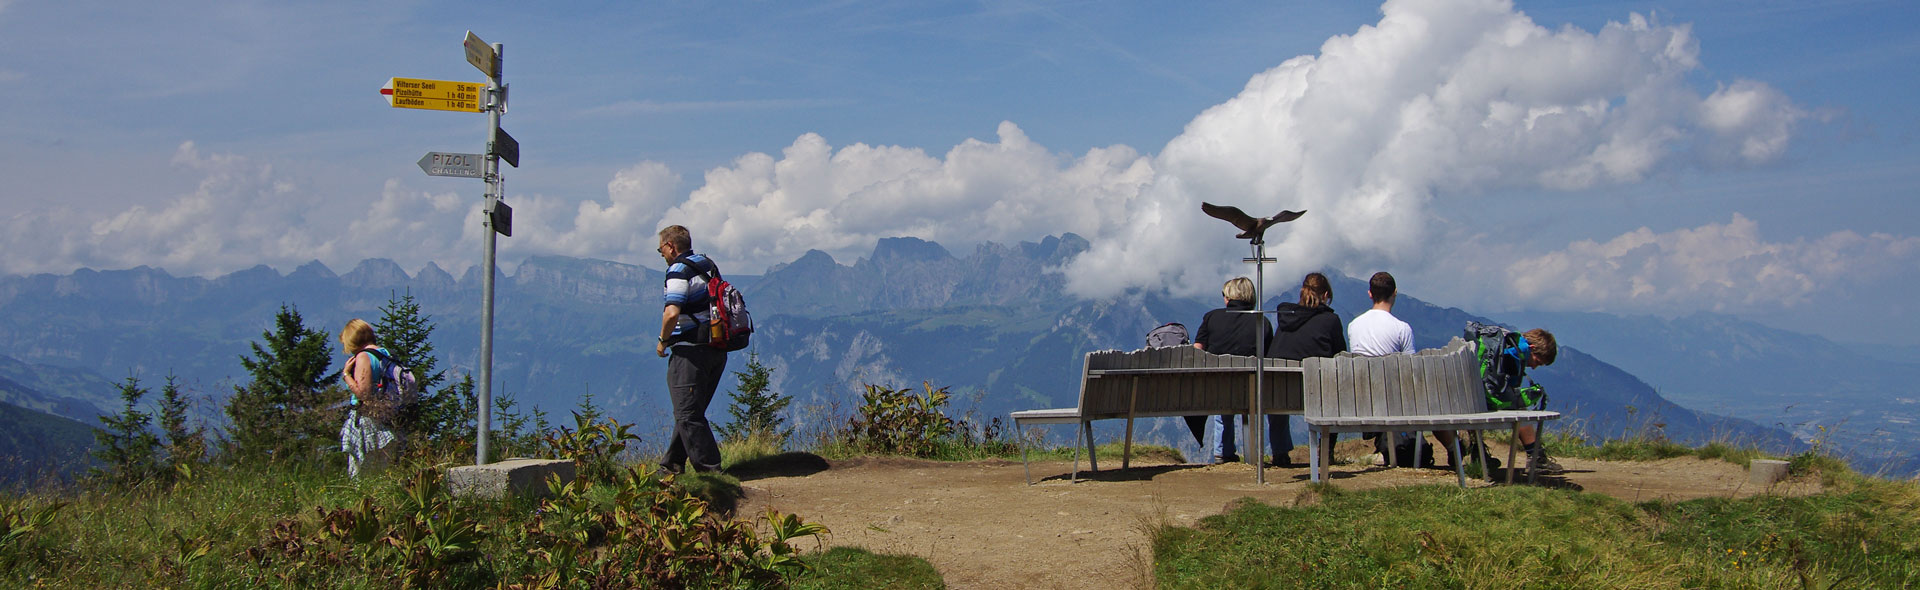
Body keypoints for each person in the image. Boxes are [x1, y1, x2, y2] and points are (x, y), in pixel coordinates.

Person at [1346, 272, 1459, 466]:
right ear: (1395, 293)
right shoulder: (1401, 328)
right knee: (1432, 397)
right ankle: (1453, 449)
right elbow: (1409, 369)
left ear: (1370, 294)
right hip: (1396, 400)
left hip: (1363, 398)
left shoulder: (1353, 325)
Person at [655, 225, 730, 475]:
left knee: (687, 413)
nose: (662, 255)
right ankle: (672, 466)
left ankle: (710, 471)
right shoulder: (706, 263)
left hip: (690, 351)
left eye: (660, 250)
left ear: (670, 246)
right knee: (690, 410)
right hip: (717, 346)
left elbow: (672, 312)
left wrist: (663, 340)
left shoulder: (677, 270)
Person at [1265, 273, 1345, 468]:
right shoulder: (1330, 321)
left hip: (1278, 394)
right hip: (1316, 394)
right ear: (1325, 294)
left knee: (1277, 387)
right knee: (1334, 386)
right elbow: (1340, 355)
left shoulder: (1285, 320)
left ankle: (1280, 452)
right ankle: (1326, 452)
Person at [1189, 277, 1273, 464]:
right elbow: (1268, 355)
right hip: (1255, 389)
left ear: (1228, 297)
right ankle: (1270, 452)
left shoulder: (1212, 317)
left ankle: (1223, 452)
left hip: (1219, 387)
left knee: (1223, 409)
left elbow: (1197, 349)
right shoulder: (1262, 321)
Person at [1497, 328, 1562, 474]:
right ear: (1531, 348)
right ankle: (1536, 456)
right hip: (1482, 401)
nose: (1533, 366)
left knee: (1517, 406)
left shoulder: (1504, 345)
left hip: (1472, 396)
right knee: (1518, 409)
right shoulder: (1515, 353)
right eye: (1537, 361)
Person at [339, 318, 398, 477]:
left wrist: (346, 375)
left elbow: (363, 394)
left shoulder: (364, 357)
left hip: (366, 422)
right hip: (386, 420)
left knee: (360, 472)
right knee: (382, 472)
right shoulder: (384, 354)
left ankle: (361, 501)